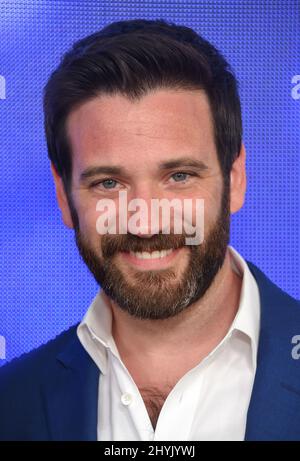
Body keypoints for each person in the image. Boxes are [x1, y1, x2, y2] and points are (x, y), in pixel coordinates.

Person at [0, 19, 299, 441]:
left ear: (235, 179)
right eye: (108, 183)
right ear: (64, 196)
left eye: (179, 176)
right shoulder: (11, 403)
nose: (145, 222)